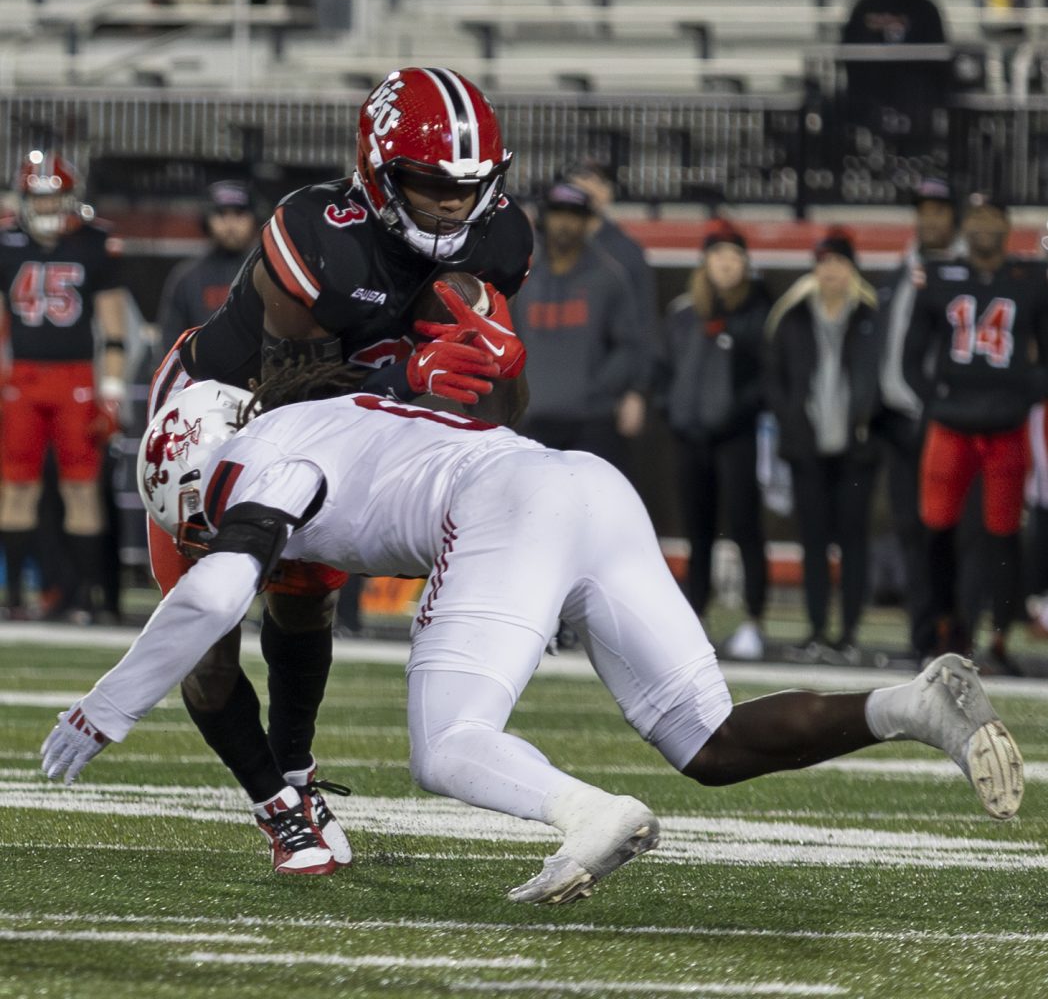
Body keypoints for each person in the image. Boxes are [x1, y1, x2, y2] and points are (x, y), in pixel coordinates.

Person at [41, 374, 1024, 904]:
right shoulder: (316, 414)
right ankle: (914, 704)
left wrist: (107, 705)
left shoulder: (250, 462)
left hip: (504, 507)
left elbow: (217, 591)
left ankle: (589, 813)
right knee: (709, 743)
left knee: (447, 744)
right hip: (586, 482)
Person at [146, 65, 533, 874]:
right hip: (222, 420)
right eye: (429, 185)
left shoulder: (501, 241)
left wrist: (504, 361)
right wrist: (410, 379)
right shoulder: (316, 229)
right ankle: (274, 804)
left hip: (347, 433)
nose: (453, 205)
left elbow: (500, 410)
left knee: (303, 612)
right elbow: (290, 400)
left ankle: (294, 771)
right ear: (380, 171)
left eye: (469, 186)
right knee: (206, 638)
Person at [903, 193, 1048, 672]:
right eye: (976, 218)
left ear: (1008, 226)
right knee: (936, 529)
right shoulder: (941, 277)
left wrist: (1024, 393)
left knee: (1003, 534)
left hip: (1005, 429)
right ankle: (946, 626)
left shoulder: (1031, 279)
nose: (984, 226)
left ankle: (999, 635)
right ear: (966, 228)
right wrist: (934, 397)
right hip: (952, 427)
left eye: (992, 218)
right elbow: (911, 352)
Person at [0, 151, 127, 622]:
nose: (48, 208)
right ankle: (13, 595)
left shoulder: (95, 243)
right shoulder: (6, 241)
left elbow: (114, 329)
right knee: (16, 487)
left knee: (81, 487)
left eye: (55, 199)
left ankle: (85, 597)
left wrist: (111, 392)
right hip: (23, 377)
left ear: (70, 199)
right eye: (39, 198)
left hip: (76, 376)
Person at [765, 227, 881, 663]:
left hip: (857, 447)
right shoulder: (792, 317)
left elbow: (880, 376)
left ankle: (848, 634)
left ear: (852, 268)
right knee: (813, 541)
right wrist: (791, 421)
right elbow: (774, 377)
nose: (831, 270)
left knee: (854, 541)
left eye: (839, 262)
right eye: (825, 262)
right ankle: (816, 629)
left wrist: (868, 421)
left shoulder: (870, 316)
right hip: (807, 446)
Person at [659, 219, 770, 659]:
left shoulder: (757, 312)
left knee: (745, 529)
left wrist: (737, 411)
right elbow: (664, 369)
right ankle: (696, 618)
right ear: (705, 261)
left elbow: (765, 375)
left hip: (738, 436)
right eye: (718, 254)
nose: (725, 263)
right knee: (697, 532)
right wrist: (672, 409)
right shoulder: (684, 313)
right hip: (692, 437)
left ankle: (753, 621)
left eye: (734, 255)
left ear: (745, 263)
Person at [876, 179, 965, 663]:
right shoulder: (899, 270)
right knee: (909, 528)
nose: (929, 219)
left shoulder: (965, 270)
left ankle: (954, 630)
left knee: (950, 530)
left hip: (949, 418)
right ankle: (920, 634)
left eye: (939, 210)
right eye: (923, 210)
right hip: (899, 419)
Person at [516, 179, 645, 470]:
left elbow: (629, 344)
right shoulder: (524, 279)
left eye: (573, 215)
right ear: (544, 219)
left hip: (592, 421)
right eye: (557, 213)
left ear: (587, 222)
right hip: (534, 418)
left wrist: (599, 388)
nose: (564, 223)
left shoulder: (609, 277)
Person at [561, 160, 658, 454]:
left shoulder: (625, 253)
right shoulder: (549, 246)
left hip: (605, 398)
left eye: (594, 183)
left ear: (608, 194)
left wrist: (637, 391)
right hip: (554, 393)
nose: (585, 191)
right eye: (578, 183)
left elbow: (644, 324)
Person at [841, 0, 948, 138]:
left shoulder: (924, 8)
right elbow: (849, 45)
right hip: (872, 88)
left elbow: (938, 49)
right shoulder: (866, 6)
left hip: (913, 88)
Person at [157, 179, 260, 352]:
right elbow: (170, 344)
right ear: (206, 220)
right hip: (202, 377)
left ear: (254, 219)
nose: (230, 224)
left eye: (239, 214)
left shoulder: (269, 272)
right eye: (221, 214)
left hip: (258, 376)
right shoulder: (186, 277)